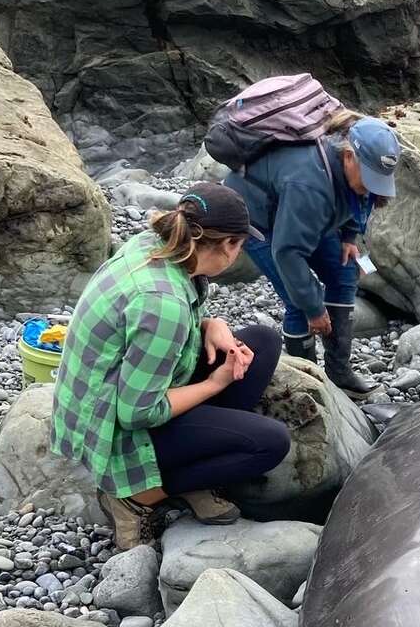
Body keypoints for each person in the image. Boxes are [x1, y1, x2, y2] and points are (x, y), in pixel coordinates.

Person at [51, 183, 291, 551]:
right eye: (241, 244)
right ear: (228, 245)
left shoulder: (156, 245)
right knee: (271, 444)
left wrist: (212, 325)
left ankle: (195, 454)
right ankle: (136, 497)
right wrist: (214, 383)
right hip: (112, 428)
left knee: (262, 340)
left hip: (123, 387)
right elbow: (136, 413)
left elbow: (155, 329)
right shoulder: (163, 303)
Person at [226, 112, 402, 400]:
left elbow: (359, 199)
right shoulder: (309, 184)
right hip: (259, 222)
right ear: (348, 156)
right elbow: (287, 252)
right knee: (298, 302)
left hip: (301, 215)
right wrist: (314, 309)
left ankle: (339, 372)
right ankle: (307, 381)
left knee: (345, 270)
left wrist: (348, 236)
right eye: (369, 177)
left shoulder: (350, 172)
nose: (373, 186)